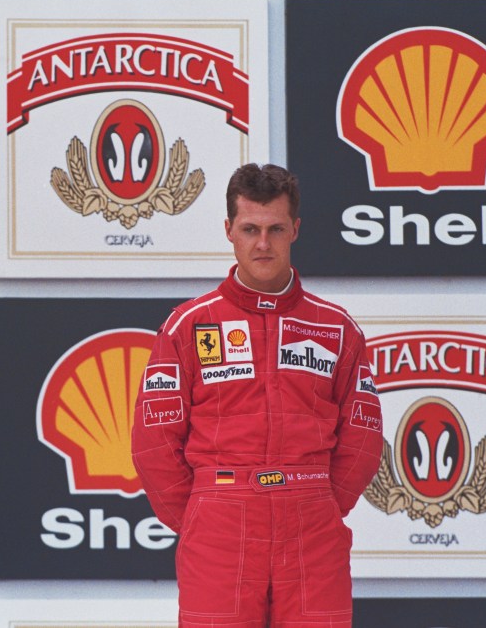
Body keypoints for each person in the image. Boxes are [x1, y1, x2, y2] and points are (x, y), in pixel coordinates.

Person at [131, 163, 382, 627]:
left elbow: (363, 439)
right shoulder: (189, 324)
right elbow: (153, 441)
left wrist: (320, 501)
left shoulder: (336, 327)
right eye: (249, 229)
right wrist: (201, 516)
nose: (262, 244)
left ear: (296, 230)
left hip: (312, 522)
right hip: (218, 524)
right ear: (229, 230)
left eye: (275, 229)